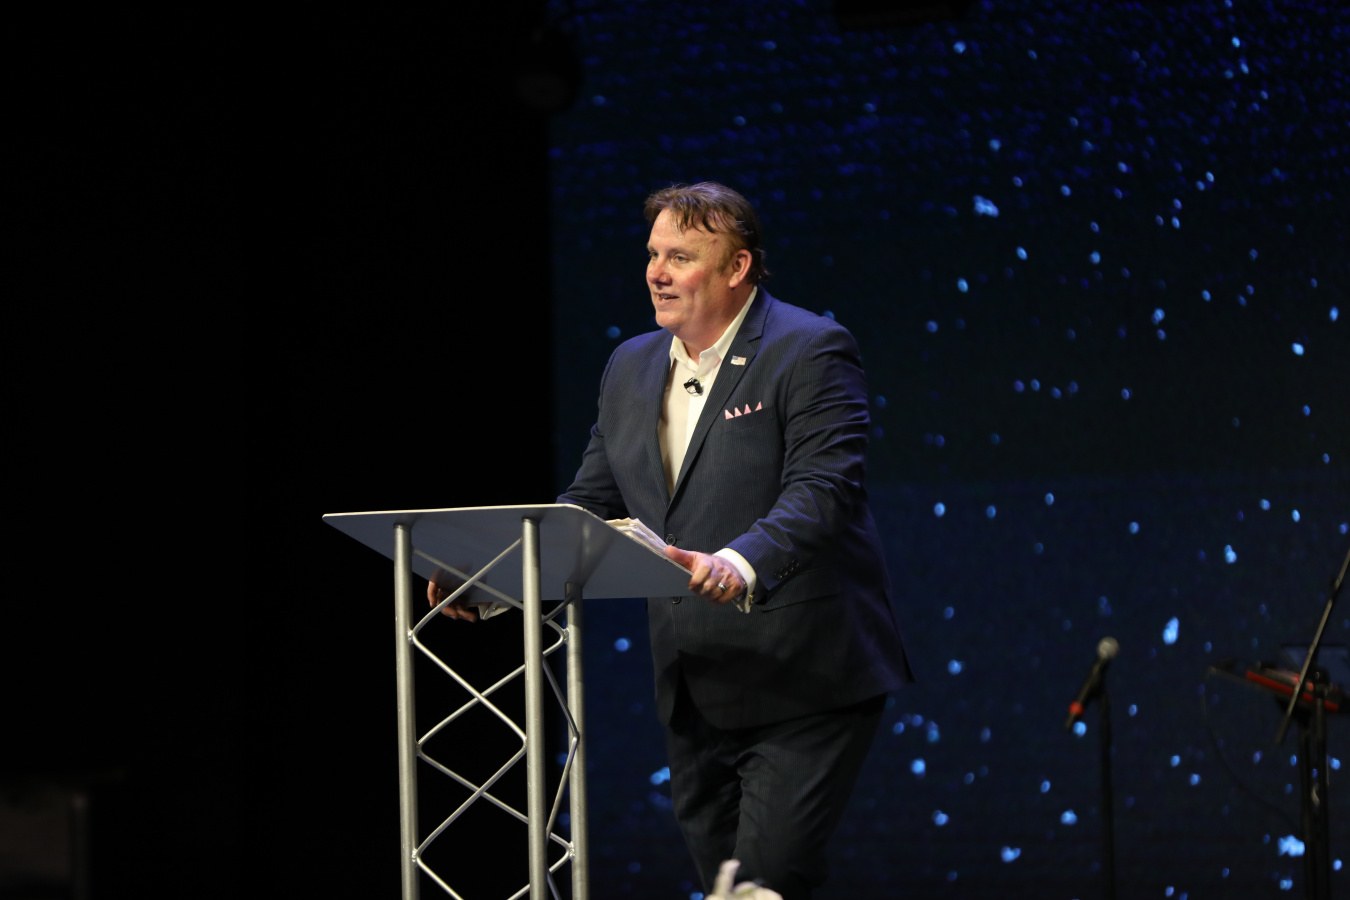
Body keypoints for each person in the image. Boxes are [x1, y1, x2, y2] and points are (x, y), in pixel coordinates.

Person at [431, 182, 912, 899]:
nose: (657, 272)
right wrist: (499, 580)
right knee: (721, 886)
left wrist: (737, 562)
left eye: (681, 257)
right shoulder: (630, 366)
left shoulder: (809, 348)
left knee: (761, 886)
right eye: (653, 255)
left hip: (805, 674)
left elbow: (824, 488)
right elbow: (591, 503)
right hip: (694, 683)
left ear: (738, 267)